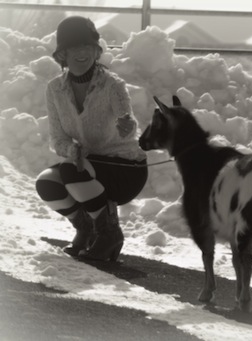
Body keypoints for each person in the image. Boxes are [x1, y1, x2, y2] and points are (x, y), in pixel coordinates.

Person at [35, 16, 147, 262]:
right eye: (74, 47)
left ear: (96, 52)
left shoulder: (113, 84)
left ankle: (109, 234)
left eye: (87, 47)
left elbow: (127, 123)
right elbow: (57, 139)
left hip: (124, 167)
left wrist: (126, 124)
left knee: (70, 171)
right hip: (85, 166)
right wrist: (71, 150)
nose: (81, 53)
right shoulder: (54, 89)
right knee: (47, 183)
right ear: (62, 54)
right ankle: (85, 229)